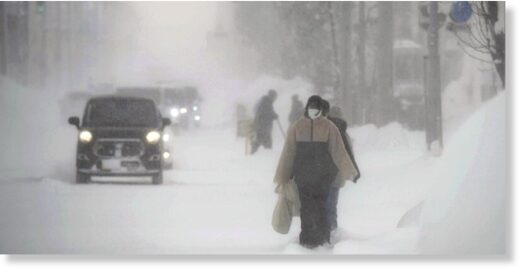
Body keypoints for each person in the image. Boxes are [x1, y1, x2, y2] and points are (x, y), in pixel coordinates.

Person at [274, 95, 358, 248]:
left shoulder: (329, 127)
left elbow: (339, 152)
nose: (313, 111)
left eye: (316, 108)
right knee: (306, 208)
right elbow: (288, 153)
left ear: (320, 110)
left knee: (321, 206)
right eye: (311, 107)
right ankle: (307, 239)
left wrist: (350, 172)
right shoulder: (298, 127)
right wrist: (282, 175)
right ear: (307, 108)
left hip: (323, 176)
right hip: (303, 176)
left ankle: (322, 238)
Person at [321, 100, 361, 231]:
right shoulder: (343, 132)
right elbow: (348, 154)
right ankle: (332, 230)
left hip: (321, 173)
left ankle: (322, 230)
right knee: (332, 205)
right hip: (336, 174)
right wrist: (354, 171)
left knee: (321, 204)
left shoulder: (322, 130)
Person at [251, 89, 279, 154]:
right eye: (274, 97)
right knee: (261, 140)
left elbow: (269, 112)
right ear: (271, 96)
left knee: (264, 141)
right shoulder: (266, 103)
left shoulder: (267, 102)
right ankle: (254, 153)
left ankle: (264, 154)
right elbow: (265, 113)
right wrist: (273, 115)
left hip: (263, 126)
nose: (275, 99)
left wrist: (273, 115)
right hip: (262, 126)